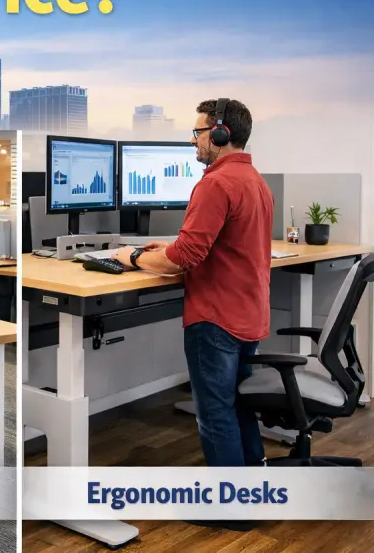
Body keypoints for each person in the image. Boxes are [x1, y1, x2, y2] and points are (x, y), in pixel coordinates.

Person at [113, 99, 272, 475]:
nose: (194, 141)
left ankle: (230, 509)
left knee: (215, 411)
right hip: (249, 312)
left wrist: (131, 257)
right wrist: (166, 248)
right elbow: (214, 245)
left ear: (220, 134)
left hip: (217, 317)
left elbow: (181, 259)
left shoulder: (216, 183)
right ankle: (255, 484)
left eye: (198, 132)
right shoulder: (255, 180)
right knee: (238, 402)